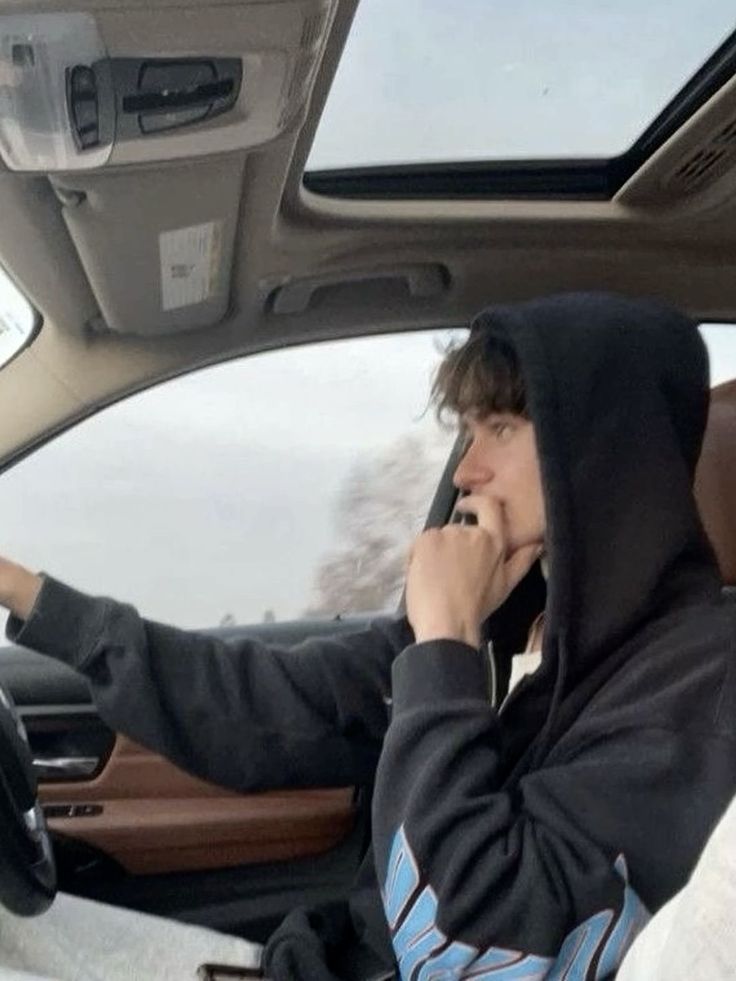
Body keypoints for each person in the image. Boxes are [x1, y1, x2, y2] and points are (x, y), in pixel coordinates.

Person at [0, 291, 734, 981]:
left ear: (603, 451)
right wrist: (25, 592)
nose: (470, 468)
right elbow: (267, 707)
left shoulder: (699, 695)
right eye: (468, 432)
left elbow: (469, 945)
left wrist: (444, 643)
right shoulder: (515, 621)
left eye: (502, 429)